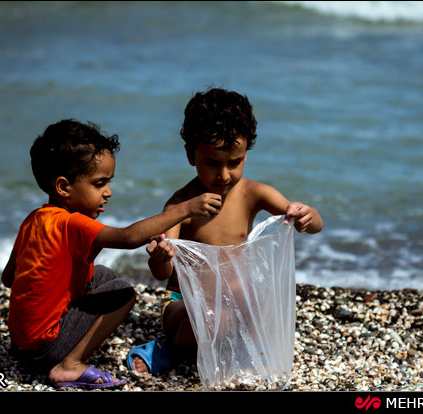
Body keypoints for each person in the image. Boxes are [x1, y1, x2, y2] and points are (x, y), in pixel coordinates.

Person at [1, 119, 222, 389]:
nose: (108, 192)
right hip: (46, 350)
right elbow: (128, 237)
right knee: (123, 293)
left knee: (102, 275)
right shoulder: (72, 223)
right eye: (99, 183)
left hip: (21, 344)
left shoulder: (33, 219)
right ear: (63, 187)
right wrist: (184, 210)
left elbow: (8, 277)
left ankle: (53, 350)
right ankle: (70, 365)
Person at [126, 88, 323, 376]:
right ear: (190, 155)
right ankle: (169, 347)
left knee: (255, 293)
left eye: (235, 162)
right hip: (186, 308)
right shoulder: (182, 204)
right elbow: (160, 271)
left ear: (246, 154)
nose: (224, 175)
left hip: (236, 300)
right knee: (217, 320)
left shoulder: (253, 193)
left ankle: (237, 346)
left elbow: (312, 224)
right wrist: (160, 256)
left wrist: (308, 215)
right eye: (212, 163)